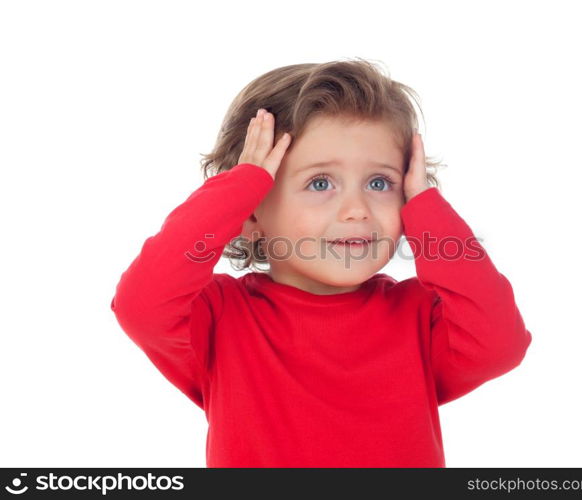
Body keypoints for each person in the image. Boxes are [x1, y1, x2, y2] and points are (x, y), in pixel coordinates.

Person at [110, 58, 532, 468]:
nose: (357, 209)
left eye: (380, 183)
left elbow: (501, 344)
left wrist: (427, 210)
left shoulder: (422, 316)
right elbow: (142, 303)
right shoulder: (220, 317)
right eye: (320, 182)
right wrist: (236, 189)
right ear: (252, 212)